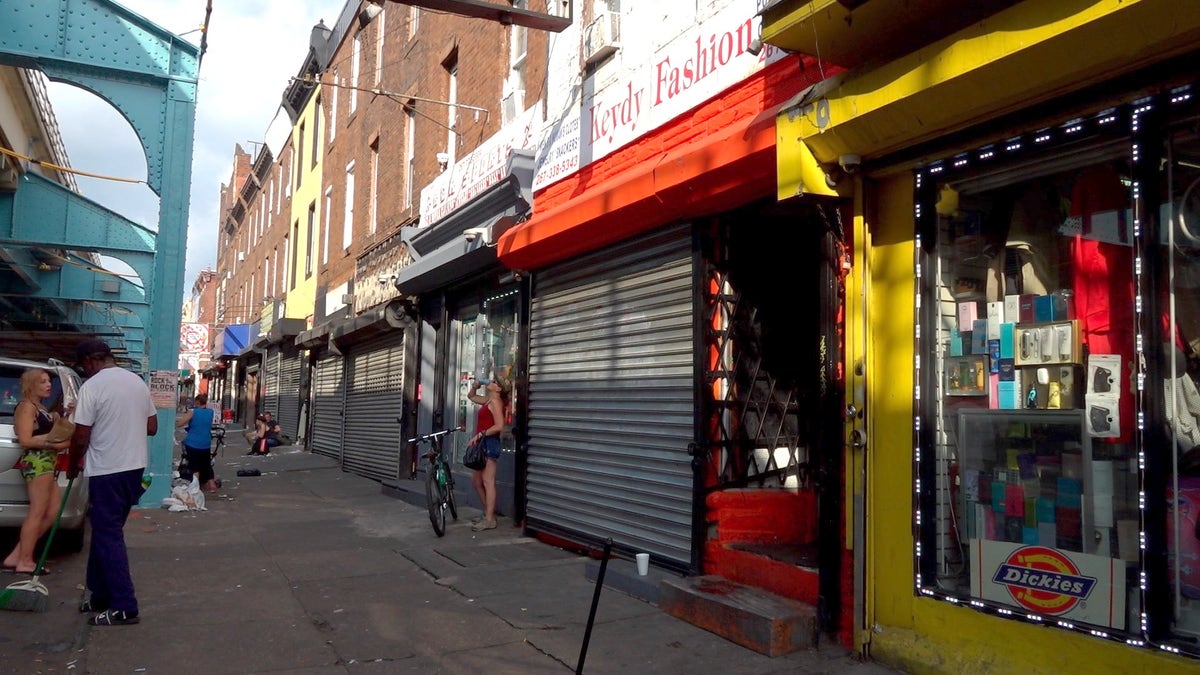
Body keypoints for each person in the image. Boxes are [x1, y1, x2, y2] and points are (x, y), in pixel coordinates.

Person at [67, 338, 157, 627]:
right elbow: (152, 427)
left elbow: (80, 436)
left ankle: (124, 606)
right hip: (134, 467)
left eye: (83, 366)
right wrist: (124, 423)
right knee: (106, 531)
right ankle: (99, 594)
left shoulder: (92, 387)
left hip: (108, 468)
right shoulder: (136, 382)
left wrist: (72, 465)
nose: (85, 371)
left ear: (90, 361)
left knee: (108, 536)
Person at [2, 369, 71, 574]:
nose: (48, 385)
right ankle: (25, 561)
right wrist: (54, 444)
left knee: (52, 512)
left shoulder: (39, 407)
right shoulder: (26, 407)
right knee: (37, 512)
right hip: (37, 462)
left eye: (49, 381)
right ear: (31, 385)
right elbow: (26, 440)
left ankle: (17, 556)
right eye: (42, 382)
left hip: (47, 463)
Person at [465, 377, 509, 532]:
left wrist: (480, 434)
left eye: (495, 382)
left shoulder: (496, 402)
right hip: (483, 444)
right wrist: (475, 386)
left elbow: (499, 425)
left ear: (498, 389)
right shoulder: (489, 401)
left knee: (487, 481)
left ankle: (490, 519)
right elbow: (471, 396)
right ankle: (488, 513)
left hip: (490, 443)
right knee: (476, 481)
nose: (491, 382)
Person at [175, 393, 217, 492]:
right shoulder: (210, 412)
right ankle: (212, 485)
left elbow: (180, 424)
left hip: (193, 443)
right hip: (206, 443)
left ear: (197, 402)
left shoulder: (192, 412)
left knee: (194, 465)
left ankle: (195, 485)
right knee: (206, 464)